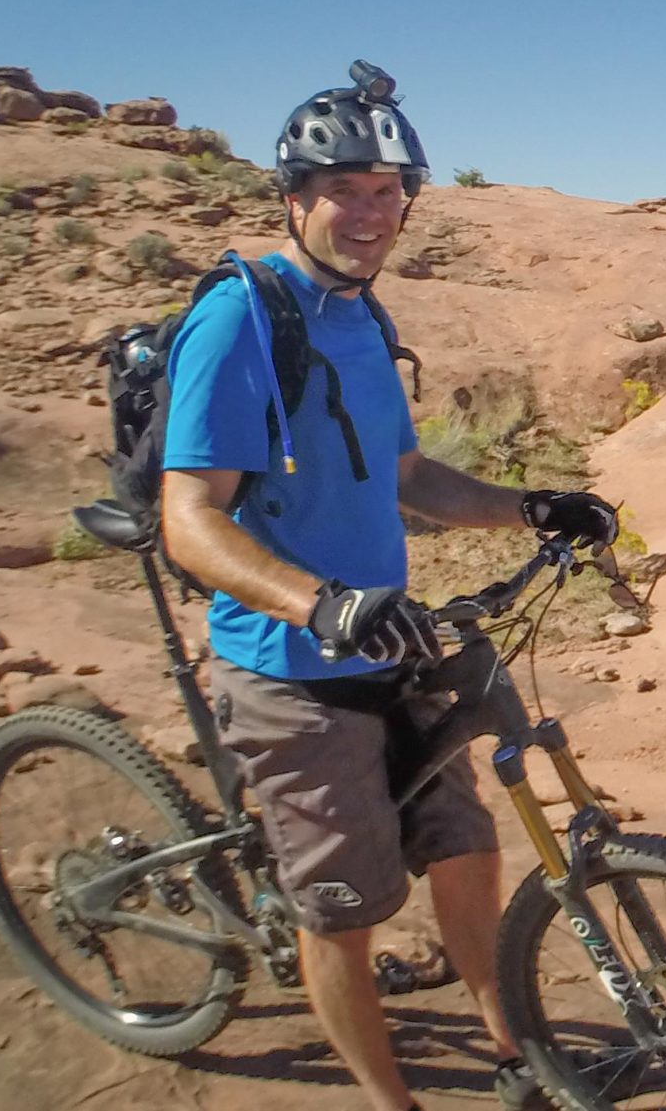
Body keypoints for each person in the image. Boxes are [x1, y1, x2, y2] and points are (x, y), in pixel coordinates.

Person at [157, 64, 619, 1111]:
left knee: (464, 849)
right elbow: (189, 519)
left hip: (390, 643)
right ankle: (390, 1101)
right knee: (343, 913)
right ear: (295, 197)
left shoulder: (362, 317)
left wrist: (536, 505)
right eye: (347, 191)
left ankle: (515, 1052)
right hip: (292, 671)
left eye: (388, 192)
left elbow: (411, 478)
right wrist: (314, 600)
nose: (371, 214)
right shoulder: (240, 319)